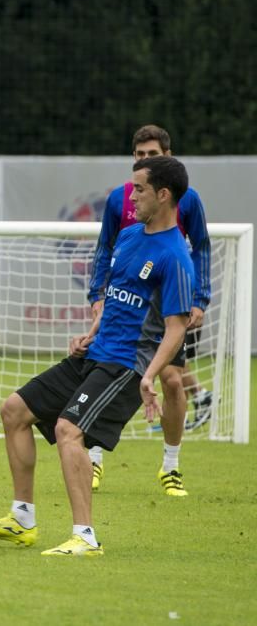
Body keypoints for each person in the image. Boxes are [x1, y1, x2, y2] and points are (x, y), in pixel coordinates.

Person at [0, 156, 194, 556]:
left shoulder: (175, 255)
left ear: (163, 195)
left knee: (68, 431)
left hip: (127, 366)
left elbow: (176, 327)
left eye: (139, 188)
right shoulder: (127, 238)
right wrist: (89, 333)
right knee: (14, 411)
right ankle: (22, 519)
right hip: (96, 354)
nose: (132, 196)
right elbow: (116, 298)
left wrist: (150, 376)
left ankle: (85, 537)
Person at [85, 124, 211, 496]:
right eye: (138, 156)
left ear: (168, 156)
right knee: (102, 371)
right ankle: (92, 459)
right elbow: (104, 248)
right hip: (124, 306)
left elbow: (201, 247)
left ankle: (171, 466)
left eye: (152, 155)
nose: (144, 161)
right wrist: (97, 294)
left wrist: (199, 299)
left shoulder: (186, 199)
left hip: (166, 305)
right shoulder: (118, 199)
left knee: (172, 380)